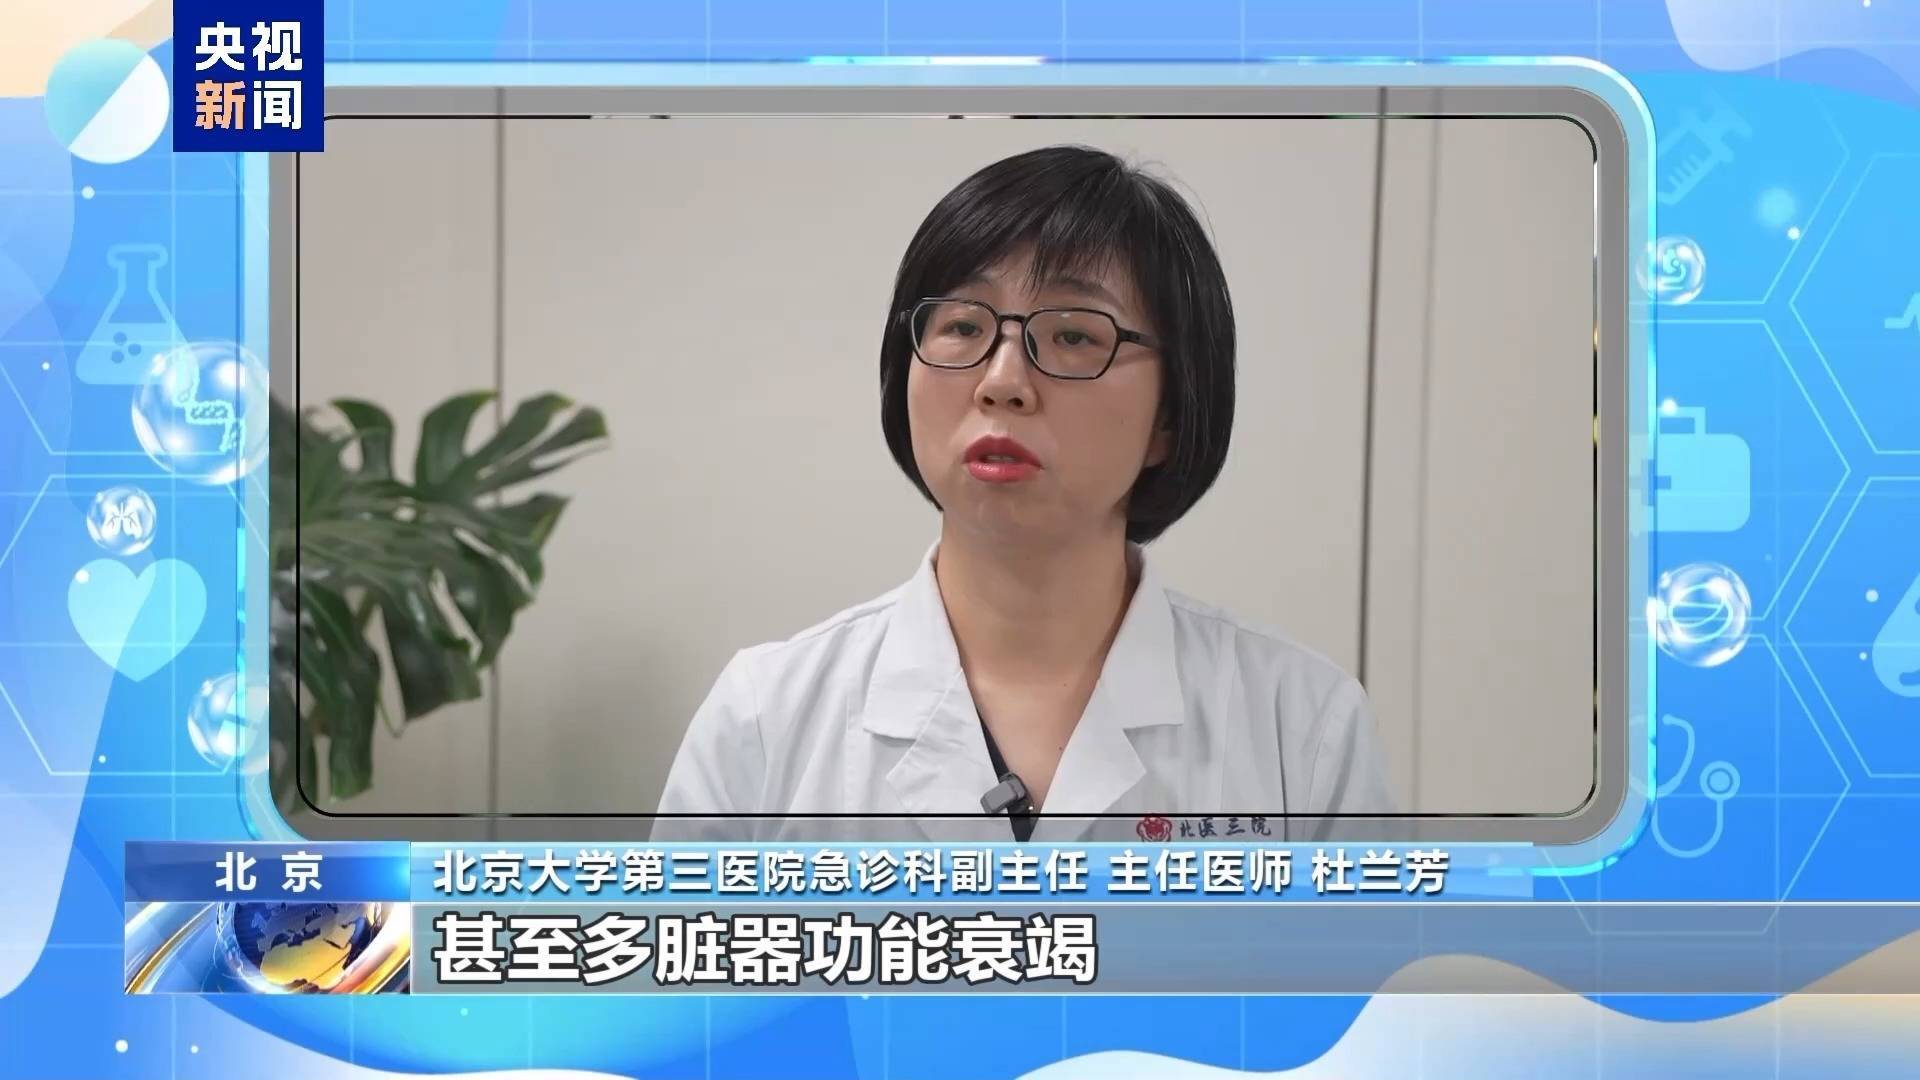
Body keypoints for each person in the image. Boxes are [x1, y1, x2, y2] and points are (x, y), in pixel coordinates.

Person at [654, 144, 1392, 843]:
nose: (1002, 381)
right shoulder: (764, 717)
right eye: (962, 325)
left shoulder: (1302, 726)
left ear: (1170, 415)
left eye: (1073, 335)